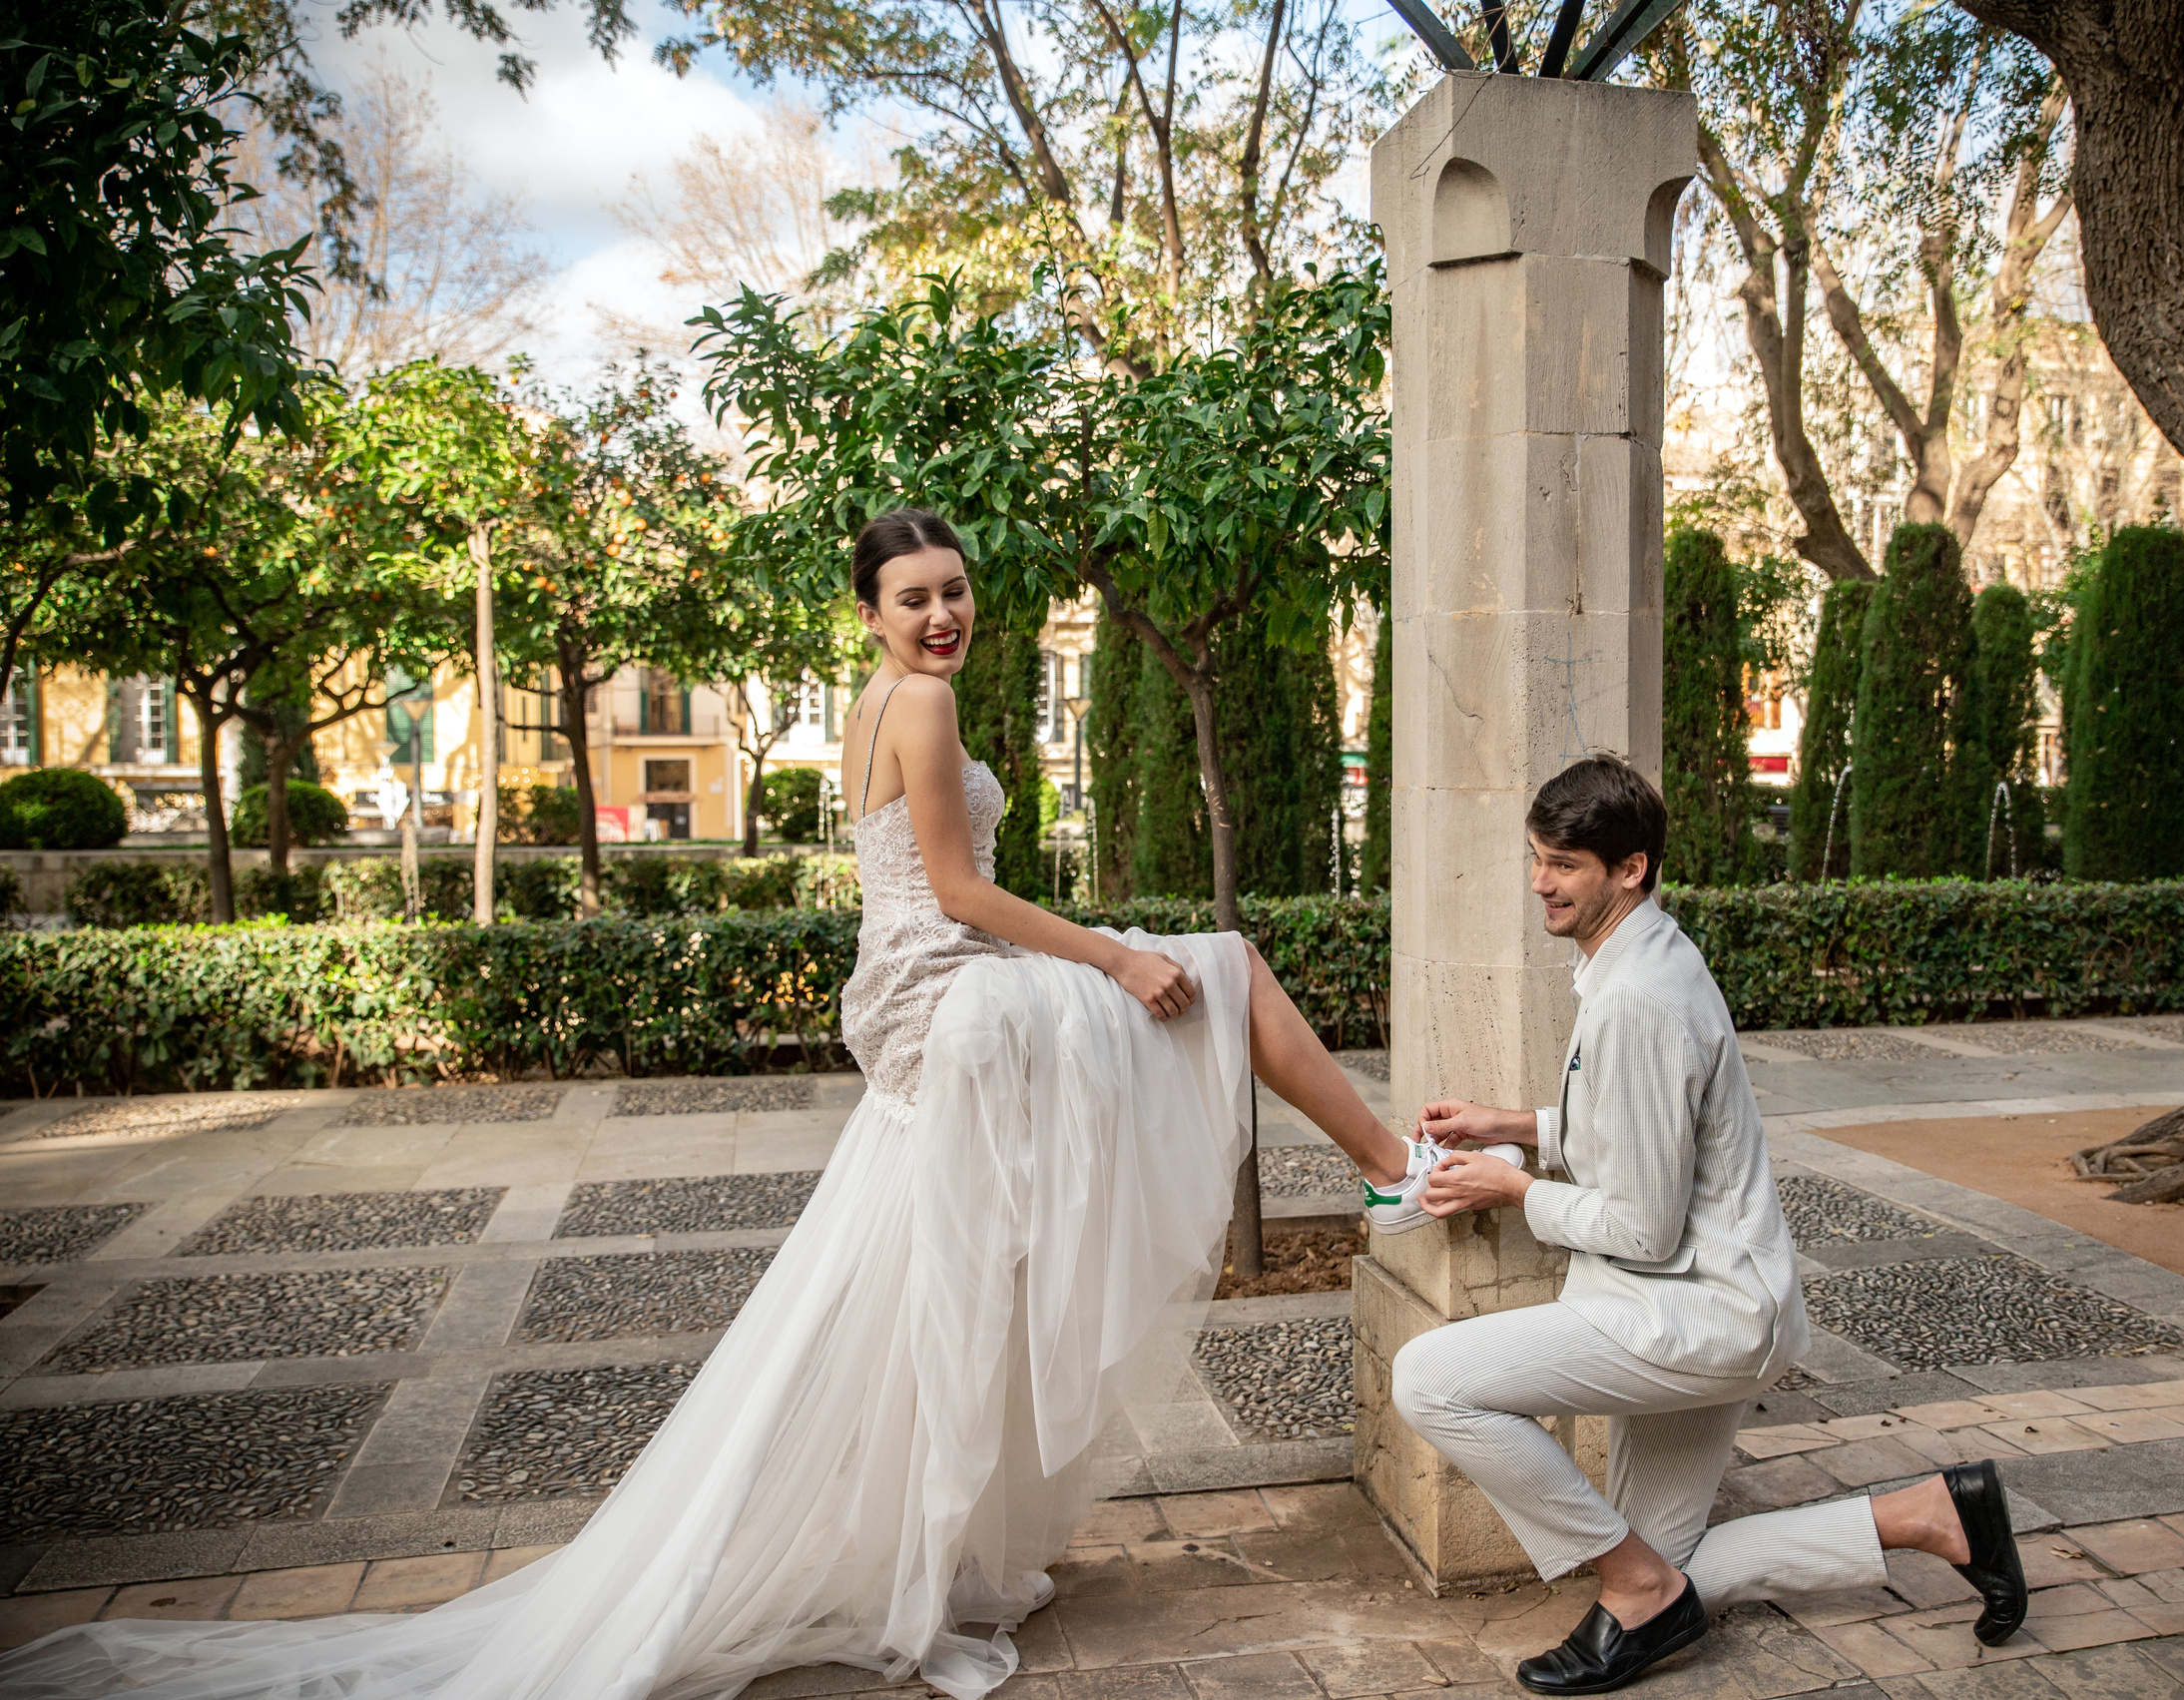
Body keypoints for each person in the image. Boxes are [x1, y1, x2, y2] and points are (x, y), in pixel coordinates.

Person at [0, 508, 1458, 1700]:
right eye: (914, 597)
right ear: (872, 614)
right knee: (1219, 971)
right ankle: (1392, 1163)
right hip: (956, 991)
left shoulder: (883, 695)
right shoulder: (929, 700)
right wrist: (1115, 954)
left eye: (956, 591)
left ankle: (938, 1537)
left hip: (926, 998)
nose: (943, 615)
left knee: (932, 1283)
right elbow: (956, 889)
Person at [1397, 755, 2027, 1696]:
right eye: (1536, 858)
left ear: (1631, 867)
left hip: (1695, 1309)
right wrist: (1517, 1125)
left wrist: (1513, 1189)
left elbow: (1644, 1226)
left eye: (1565, 864)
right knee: (1672, 1565)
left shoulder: (1640, 995)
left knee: (1430, 1380)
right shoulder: (1643, 957)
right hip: (1714, 1300)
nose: (1541, 883)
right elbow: (1645, 1128)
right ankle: (1936, 1512)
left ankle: (1636, 1585)